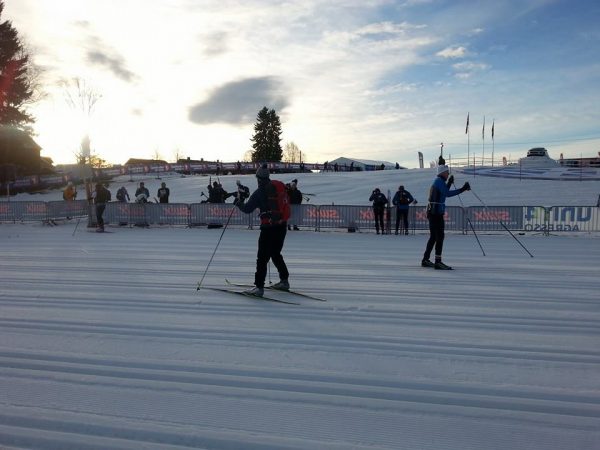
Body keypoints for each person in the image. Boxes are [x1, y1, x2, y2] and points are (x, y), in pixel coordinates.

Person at [236, 164, 290, 297]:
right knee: (276, 254)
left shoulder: (259, 192)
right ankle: (284, 281)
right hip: (281, 226)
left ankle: (259, 287)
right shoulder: (277, 187)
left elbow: (247, 209)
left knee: (262, 258)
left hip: (268, 228)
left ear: (258, 178)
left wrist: (238, 202)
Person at [421, 165, 470, 270]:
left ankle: (425, 260)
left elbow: (442, 193)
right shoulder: (439, 181)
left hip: (434, 212)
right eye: (447, 172)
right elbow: (447, 194)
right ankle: (438, 262)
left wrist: (449, 183)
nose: (448, 174)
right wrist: (463, 189)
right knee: (439, 237)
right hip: (435, 213)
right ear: (442, 172)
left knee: (434, 237)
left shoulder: (439, 181)